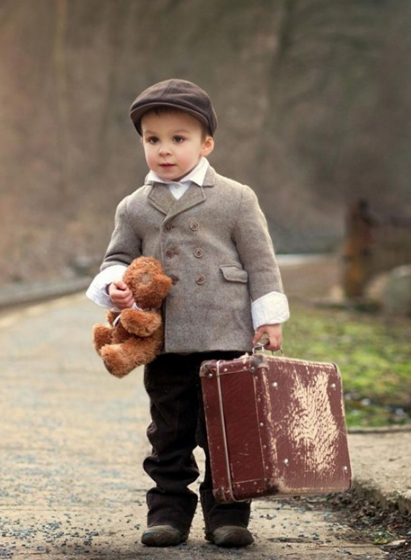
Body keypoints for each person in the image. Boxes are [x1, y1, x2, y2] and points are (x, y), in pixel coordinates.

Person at [86, 79, 290, 548]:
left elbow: (261, 262)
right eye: (153, 139)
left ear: (206, 143)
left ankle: (229, 515)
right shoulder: (134, 207)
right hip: (168, 340)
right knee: (169, 431)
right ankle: (168, 513)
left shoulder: (237, 198)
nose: (164, 150)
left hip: (226, 332)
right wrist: (116, 287)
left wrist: (269, 317)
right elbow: (115, 258)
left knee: (227, 431)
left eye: (179, 139)